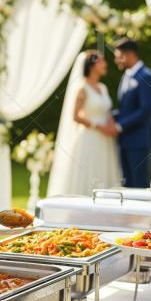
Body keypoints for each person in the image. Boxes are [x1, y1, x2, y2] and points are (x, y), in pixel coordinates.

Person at [47, 50, 121, 196]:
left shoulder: (103, 88)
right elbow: (75, 116)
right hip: (89, 137)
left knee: (103, 169)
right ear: (92, 66)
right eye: (101, 61)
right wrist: (99, 126)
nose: (105, 64)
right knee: (89, 171)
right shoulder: (82, 88)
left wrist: (112, 126)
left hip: (105, 139)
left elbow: (107, 110)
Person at [112, 38, 151, 188]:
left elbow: (145, 110)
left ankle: (141, 213)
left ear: (129, 54)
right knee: (127, 185)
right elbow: (125, 109)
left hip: (138, 141)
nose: (116, 60)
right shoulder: (126, 76)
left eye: (118, 56)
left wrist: (119, 126)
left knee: (139, 185)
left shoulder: (146, 76)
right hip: (124, 140)